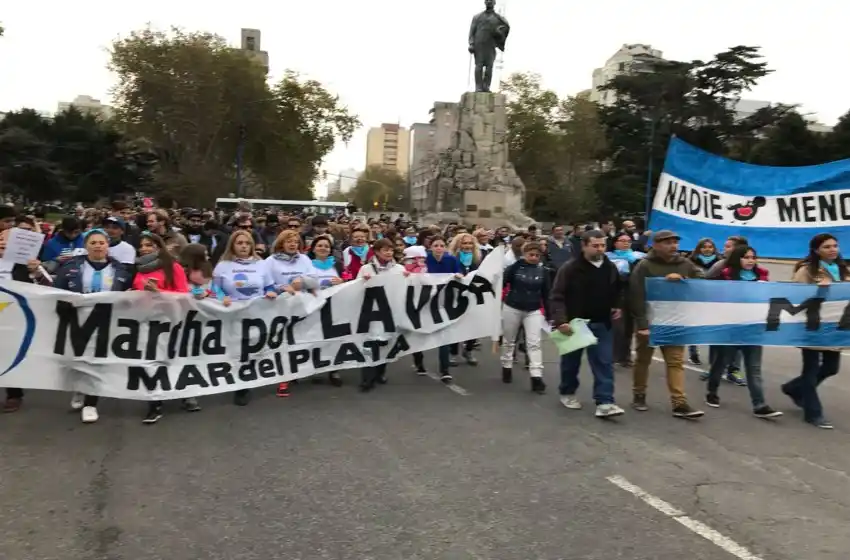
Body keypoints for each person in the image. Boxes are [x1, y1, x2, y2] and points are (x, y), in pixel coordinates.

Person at [54, 229, 134, 423]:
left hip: (106, 320)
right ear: (86, 246)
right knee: (77, 360)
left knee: (97, 361)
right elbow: (56, 291)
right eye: (93, 242)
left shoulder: (120, 269)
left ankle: (91, 403)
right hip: (77, 319)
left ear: (108, 245)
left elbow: (127, 293)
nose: (98, 246)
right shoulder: (70, 266)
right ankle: (79, 389)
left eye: (101, 242)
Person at [629, 230, 705, 419]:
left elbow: (703, 280)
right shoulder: (645, 265)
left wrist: (685, 280)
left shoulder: (684, 263)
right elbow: (636, 294)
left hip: (674, 320)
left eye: (675, 242)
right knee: (643, 360)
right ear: (655, 245)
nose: (673, 246)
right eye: (667, 243)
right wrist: (642, 324)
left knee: (675, 362)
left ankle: (679, 403)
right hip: (651, 320)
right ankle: (639, 394)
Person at [551, 230, 625, 417]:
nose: (600, 249)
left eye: (603, 245)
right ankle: (567, 392)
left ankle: (605, 402)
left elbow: (617, 289)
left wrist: (617, 305)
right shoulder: (570, 268)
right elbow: (557, 295)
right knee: (571, 363)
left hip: (602, 323)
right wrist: (561, 320)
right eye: (595, 245)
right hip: (575, 324)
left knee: (604, 363)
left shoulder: (610, 267)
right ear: (584, 245)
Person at [704, 245, 782, 418]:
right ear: (738, 259)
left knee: (754, 369)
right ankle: (712, 392)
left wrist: (766, 290)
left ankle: (759, 405)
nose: (750, 261)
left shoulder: (762, 276)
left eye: (753, 257)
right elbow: (714, 297)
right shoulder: (725, 275)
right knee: (721, 363)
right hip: (730, 328)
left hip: (753, 328)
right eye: (746, 257)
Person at [782, 233, 849, 429]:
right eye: (827, 246)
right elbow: (795, 297)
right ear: (816, 250)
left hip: (835, 327)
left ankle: (793, 388)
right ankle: (813, 413)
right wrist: (818, 290)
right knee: (810, 371)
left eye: (835, 246)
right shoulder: (806, 271)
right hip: (812, 326)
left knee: (831, 367)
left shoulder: (844, 270)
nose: (833, 249)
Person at [213, 230, 278, 406]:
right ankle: (239, 385)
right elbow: (215, 288)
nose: (243, 246)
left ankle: (247, 382)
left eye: (247, 243)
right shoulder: (223, 265)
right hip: (233, 313)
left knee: (251, 349)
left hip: (256, 313)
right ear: (232, 245)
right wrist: (221, 296)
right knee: (237, 350)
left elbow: (269, 285)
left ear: (252, 246)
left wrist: (270, 292)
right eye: (239, 243)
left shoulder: (261, 264)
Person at [0, 228, 52, 413]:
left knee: (9, 354)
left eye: (5, 239)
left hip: (14, 318)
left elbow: (48, 286)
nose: (2, 242)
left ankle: (14, 394)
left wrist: (36, 270)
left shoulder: (23, 265)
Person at [357, 238, 409, 391]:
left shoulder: (399, 269)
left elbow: (407, 288)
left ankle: (380, 372)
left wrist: (408, 279)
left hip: (389, 311)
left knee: (385, 343)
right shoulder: (366, 268)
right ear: (377, 251)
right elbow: (356, 288)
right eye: (385, 250)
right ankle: (368, 378)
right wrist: (363, 281)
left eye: (391, 250)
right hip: (371, 312)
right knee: (369, 344)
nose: (388, 252)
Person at [500, 240, 551, 393]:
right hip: (512, 306)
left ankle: (536, 377)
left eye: (537, 255)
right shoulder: (514, 268)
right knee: (509, 340)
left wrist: (549, 313)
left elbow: (547, 293)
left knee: (534, 343)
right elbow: (501, 283)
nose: (534, 257)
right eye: (531, 255)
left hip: (533, 309)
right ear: (524, 254)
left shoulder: (544, 271)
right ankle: (506, 366)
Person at [425, 236, 464, 380]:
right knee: (419, 333)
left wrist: (459, 275)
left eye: (442, 245)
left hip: (445, 302)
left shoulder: (451, 260)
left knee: (444, 336)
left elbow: (459, 273)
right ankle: (418, 362)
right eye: (436, 245)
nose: (439, 248)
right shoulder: (425, 260)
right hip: (427, 302)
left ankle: (445, 369)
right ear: (431, 247)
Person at [606, 232, 646, 367]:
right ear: (615, 242)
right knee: (618, 327)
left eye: (628, 241)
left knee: (629, 327)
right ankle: (613, 356)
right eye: (622, 240)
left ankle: (625, 356)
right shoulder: (608, 258)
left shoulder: (638, 257)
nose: (626, 243)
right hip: (616, 295)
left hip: (634, 294)